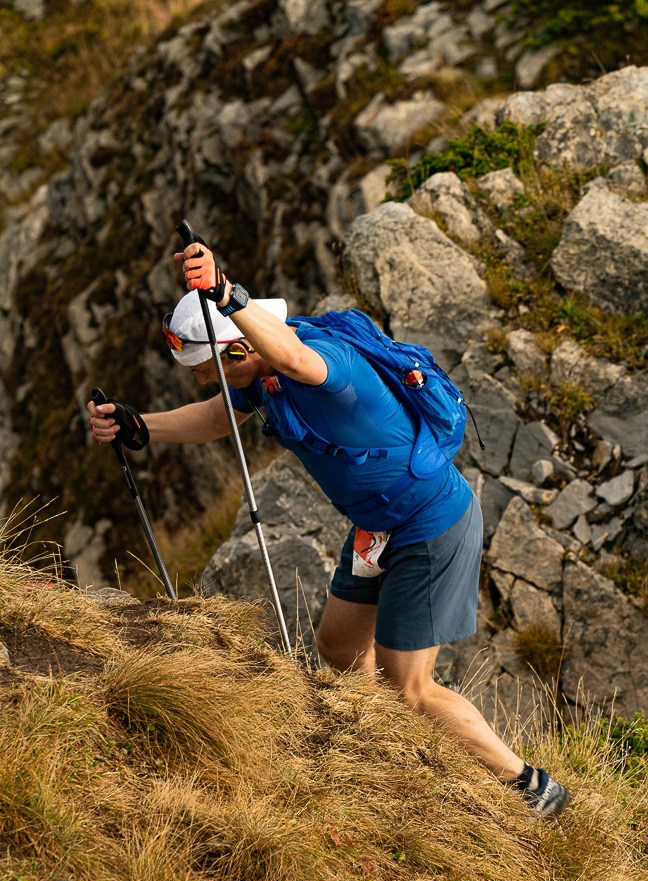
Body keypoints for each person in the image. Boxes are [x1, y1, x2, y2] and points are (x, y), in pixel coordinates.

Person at [87, 241, 569, 819]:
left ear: (239, 347)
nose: (205, 381)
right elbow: (218, 417)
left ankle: (530, 787)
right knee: (339, 649)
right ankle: (387, 746)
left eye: (209, 368)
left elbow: (293, 358)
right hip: (375, 528)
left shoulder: (326, 363)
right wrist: (140, 427)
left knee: (408, 686)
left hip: (429, 522)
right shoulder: (257, 374)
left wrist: (225, 293)